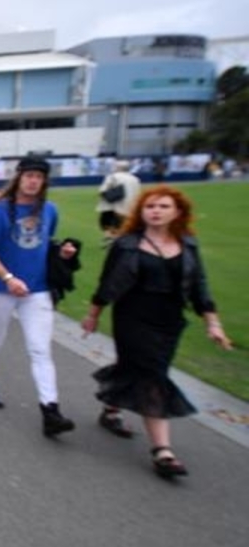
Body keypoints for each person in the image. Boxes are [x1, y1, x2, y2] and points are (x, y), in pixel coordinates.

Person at [81, 187, 232, 477]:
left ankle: (110, 409)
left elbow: (199, 285)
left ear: (177, 212)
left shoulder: (188, 244)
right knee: (153, 377)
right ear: (141, 211)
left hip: (169, 320)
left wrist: (212, 323)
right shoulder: (127, 244)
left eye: (164, 206)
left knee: (133, 368)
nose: (156, 211)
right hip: (132, 317)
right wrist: (93, 315)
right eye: (150, 206)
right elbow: (107, 282)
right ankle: (162, 450)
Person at [0, 157, 78, 436]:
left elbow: (45, 243)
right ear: (18, 177)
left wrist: (62, 252)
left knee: (40, 349)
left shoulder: (50, 210)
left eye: (38, 177)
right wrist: (8, 278)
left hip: (37, 289)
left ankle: (50, 410)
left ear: (44, 182)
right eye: (29, 175)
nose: (33, 181)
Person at [96, 159, 141, 241]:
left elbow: (103, 190)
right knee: (123, 224)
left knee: (109, 223)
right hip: (130, 206)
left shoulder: (113, 177)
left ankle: (111, 238)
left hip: (112, 205)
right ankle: (120, 238)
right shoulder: (135, 179)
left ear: (117, 168)